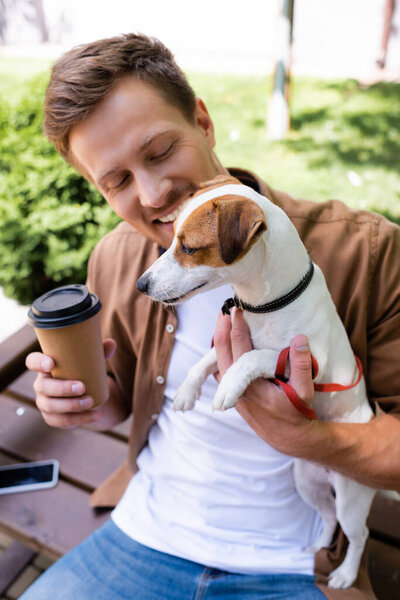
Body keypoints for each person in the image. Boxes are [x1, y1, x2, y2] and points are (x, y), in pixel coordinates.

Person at [22, 33, 399, 600]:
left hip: (298, 567)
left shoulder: (366, 252)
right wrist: (79, 405)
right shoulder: (118, 259)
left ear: (203, 121)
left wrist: (308, 438)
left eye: (158, 152)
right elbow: (118, 405)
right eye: (117, 181)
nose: (151, 195)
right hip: (142, 536)